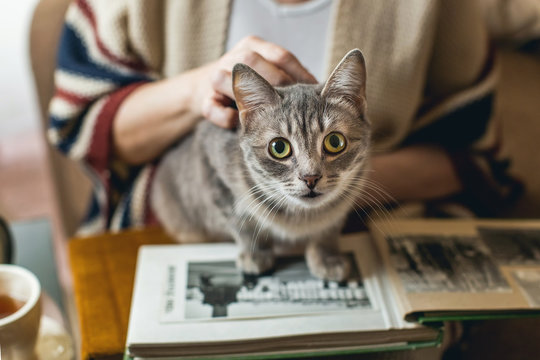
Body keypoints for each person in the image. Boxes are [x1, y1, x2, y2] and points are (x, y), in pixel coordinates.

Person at [48, 0, 520, 236]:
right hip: (189, 226)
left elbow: (473, 160)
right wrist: (194, 92)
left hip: (369, 235)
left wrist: (327, 192)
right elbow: (82, 126)